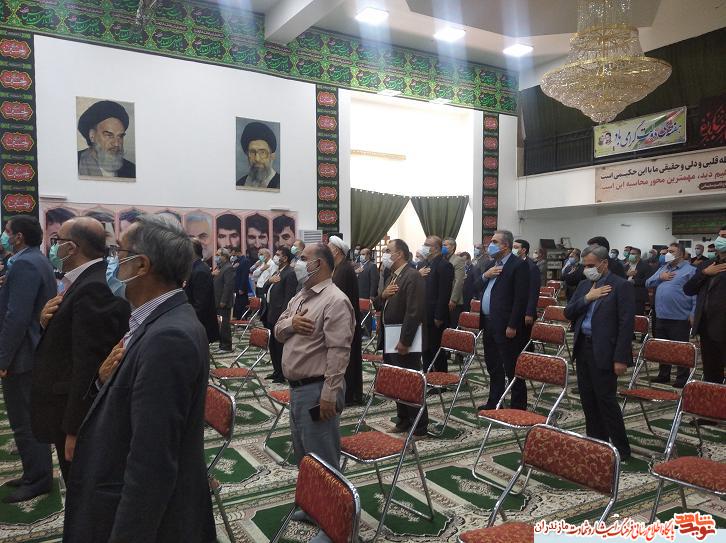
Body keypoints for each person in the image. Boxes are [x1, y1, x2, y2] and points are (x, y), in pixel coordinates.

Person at [62, 214, 215, 541]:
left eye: (119, 252)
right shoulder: (155, 321)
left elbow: (151, 463)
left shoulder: (168, 337)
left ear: (142, 265)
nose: (113, 262)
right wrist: (102, 381)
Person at [32, 217, 130, 483]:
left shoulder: (95, 287)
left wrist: (75, 428)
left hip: (73, 412)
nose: (53, 247)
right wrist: (45, 323)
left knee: (82, 485)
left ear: (71, 247)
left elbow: (89, 364)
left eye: (57, 241)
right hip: (62, 405)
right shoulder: (82, 281)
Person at [274, 242, 354, 466]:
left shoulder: (335, 300)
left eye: (302, 259)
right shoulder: (301, 296)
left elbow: (339, 352)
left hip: (318, 391)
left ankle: (330, 492)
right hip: (298, 389)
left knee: (322, 462)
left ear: (318, 264)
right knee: (304, 457)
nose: (296, 263)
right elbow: (278, 330)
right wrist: (292, 323)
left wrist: (330, 393)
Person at [0, 216, 56, 503]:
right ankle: (34, 472)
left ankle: (38, 479)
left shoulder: (24, 264)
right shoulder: (37, 259)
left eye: (7, 232)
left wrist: (3, 358)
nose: (4, 236)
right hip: (31, 352)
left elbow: (16, 317)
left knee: (24, 422)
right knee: (29, 419)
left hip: (22, 356)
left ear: (19, 236)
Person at [565, 245, 633, 461]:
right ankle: (596, 442)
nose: (587, 269)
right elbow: (568, 312)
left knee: (605, 400)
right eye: (585, 265)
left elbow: (626, 325)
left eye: (591, 265)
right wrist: (588, 298)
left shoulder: (621, 286)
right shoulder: (585, 284)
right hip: (583, 347)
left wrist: (621, 358)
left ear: (604, 263)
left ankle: (621, 449)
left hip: (606, 350)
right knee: (587, 398)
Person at [375, 239, 428, 436]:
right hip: (391, 334)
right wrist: (383, 296)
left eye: (388, 251)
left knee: (410, 380)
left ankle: (419, 425)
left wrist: (405, 341)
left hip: (404, 338)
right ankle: (403, 419)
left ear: (399, 254)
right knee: (397, 380)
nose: (385, 254)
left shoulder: (412, 276)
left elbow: (414, 312)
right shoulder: (393, 276)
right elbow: (379, 304)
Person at [473, 230, 530, 410]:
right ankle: (495, 402)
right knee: (493, 365)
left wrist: (513, 324)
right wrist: (486, 275)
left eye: (494, 242)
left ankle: (518, 406)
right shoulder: (491, 264)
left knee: (512, 366)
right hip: (488, 322)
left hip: (506, 325)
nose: (490, 245)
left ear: (505, 245)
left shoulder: (518, 265)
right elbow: (475, 287)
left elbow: (520, 299)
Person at [645, 243, 697, 388]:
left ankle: (682, 378)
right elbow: (648, 283)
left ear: (681, 254)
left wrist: (693, 313)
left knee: (680, 349)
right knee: (663, 348)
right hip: (661, 315)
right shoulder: (663, 268)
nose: (668, 253)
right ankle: (664, 375)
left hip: (680, 316)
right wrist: (660, 277)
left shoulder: (691, 270)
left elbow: (696, 294)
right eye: (667, 251)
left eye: (672, 251)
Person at [684, 226, 726, 388]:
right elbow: (688, 289)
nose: (721, 239)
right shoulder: (706, 265)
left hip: (723, 326)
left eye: (725, 236)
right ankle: (712, 402)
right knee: (711, 372)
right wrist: (705, 273)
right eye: (720, 236)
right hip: (707, 327)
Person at [328, 236, 363, 406]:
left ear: (336, 251)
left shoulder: (345, 270)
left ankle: (350, 395)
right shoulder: (338, 268)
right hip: (340, 321)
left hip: (346, 323)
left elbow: (338, 297)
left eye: (329, 247)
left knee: (348, 360)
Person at [419, 236, 453, 373]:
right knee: (425, 350)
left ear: (436, 248)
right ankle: (428, 377)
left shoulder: (444, 265)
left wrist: (439, 316)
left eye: (427, 245)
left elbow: (444, 294)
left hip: (435, 317)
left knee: (436, 351)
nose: (424, 247)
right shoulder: (425, 264)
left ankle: (441, 378)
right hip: (424, 315)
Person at [263, 246, 297, 383]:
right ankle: (276, 371)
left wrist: (283, 318)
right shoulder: (277, 271)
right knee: (272, 345)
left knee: (279, 346)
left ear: (285, 258)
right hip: (270, 313)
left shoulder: (290, 273)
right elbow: (264, 288)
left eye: (278, 254)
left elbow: (288, 298)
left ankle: (282, 373)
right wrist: (269, 281)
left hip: (279, 315)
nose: (275, 257)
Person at [77, 100, 135, 178]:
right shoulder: (75, 162)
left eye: (120, 136)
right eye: (109, 135)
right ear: (92, 136)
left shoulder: (132, 170)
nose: (116, 144)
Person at [185, 237, 220, 344]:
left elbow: (201, 304)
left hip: (200, 324)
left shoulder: (200, 270)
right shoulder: (195, 267)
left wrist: (189, 323)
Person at [514, 239, 541, 353]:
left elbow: (533, 291)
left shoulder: (531, 267)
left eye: (516, 247)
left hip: (525, 311)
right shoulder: (513, 264)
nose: (513, 249)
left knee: (525, 340)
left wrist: (529, 313)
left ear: (524, 250)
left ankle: (528, 361)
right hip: (514, 308)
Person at [237, 121, 280, 189]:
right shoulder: (240, 183)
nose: (257, 159)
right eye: (252, 152)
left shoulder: (280, 184)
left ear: (272, 156)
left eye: (263, 152)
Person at [213, 248, 235, 353]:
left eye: (218, 255)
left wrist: (223, 301)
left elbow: (228, 286)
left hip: (223, 302)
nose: (216, 257)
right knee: (220, 325)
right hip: (217, 300)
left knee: (225, 325)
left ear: (224, 256)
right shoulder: (220, 267)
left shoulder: (228, 268)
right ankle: (222, 345)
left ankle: (226, 346)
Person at [443, 237, 465, 337]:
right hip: (444, 298)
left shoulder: (458, 260)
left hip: (454, 301)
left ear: (452, 247)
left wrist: (453, 300)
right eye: (442, 245)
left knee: (453, 328)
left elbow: (459, 281)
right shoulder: (443, 260)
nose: (443, 247)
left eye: (445, 245)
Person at [356, 247, 378, 336]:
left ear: (368, 255)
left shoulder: (372, 266)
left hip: (366, 294)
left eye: (363, 254)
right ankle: (361, 332)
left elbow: (374, 281)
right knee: (360, 314)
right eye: (360, 254)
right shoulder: (358, 265)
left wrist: (371, 295)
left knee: (367, 314)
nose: (361, 256)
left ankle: (367, 333)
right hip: (358, 293)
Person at [625, 247, 651, 316]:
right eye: (630, 254)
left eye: (633, 254)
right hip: (626, 294)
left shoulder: (645, 266)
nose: (631, 255)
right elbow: (620, 277)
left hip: (638, 295)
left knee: (637, 316)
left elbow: (648, 280)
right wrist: (626, 274)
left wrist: (635, 281)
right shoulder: (627, 266)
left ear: (639, 255)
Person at [232, 249, 252, 319]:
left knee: (242, 304)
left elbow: (244, 275)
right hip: (236, 287)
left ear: (238, 253)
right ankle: (238, 318)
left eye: (234, 255)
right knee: (238, 304)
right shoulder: (237, 261)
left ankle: (243, 318)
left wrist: (241, 288)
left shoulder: (245, 261)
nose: (233, 256)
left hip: (241, 288)